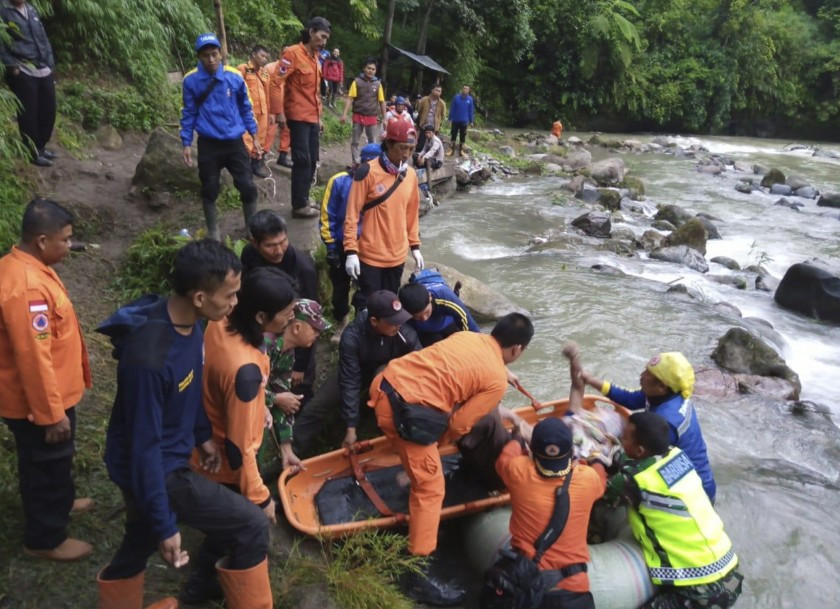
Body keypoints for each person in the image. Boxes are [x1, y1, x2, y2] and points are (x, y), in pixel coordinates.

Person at [96, 240, 272, 609]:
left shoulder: (191, 325)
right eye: (230, 295)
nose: (236, 304)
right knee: (251, 524)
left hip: (170, 453)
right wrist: (167, 524)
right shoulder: (149, 360)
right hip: (159, 468)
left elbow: (188, 385)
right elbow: (144, 450)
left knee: (139, 537)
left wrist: (202, 435)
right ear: (199, 297)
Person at [367, 312, 533, 605]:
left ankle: (411, 466)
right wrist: (433, 447)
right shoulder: (495, 379)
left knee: (420, 458)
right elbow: (460, 426)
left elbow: (458, 369)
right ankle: (416, 572)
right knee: (431, 489)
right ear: (518, 349)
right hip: (403, 413)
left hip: (384, 384)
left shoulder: (468, 336)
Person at [183, 266, 296, 605]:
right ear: (261, 316)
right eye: (287, 314)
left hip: (206, 428)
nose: (291, 320)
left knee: (227, 527)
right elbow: (239, 449)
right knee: (236, 527)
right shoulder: (243, 371)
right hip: (225, 459)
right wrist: (261, 498)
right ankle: (201, 586)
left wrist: (260, 402)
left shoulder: (222, 321)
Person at [0, 199, 92, 561]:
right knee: (46, 465)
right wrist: (51, 414)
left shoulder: (26, 265)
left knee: (55, 460)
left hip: (53, 394)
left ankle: (61, 502)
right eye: (65, 240)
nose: (69, 246)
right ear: (41, 240)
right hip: (38, 404)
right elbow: (33, 358)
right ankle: (45, 538)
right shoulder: (27, 289)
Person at [489, 343, 608, 609]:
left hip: (525, 582)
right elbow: (599, 468)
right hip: (573, 590)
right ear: (570, 453)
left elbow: (508, 447)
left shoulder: (518, 470)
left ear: (533, 450)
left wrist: (520, 432)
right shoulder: (588, 478)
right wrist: (595, 457)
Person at [604, 412, 743, 609]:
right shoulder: (677, 455)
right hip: (730, 570)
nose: (621, 439)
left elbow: (600, 494)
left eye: (624, 437)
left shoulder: (633, 480)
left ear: (640, 450)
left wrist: (595, 463)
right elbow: (637, 462)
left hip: (700, 589)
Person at [292, 290, 421, 454]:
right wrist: (351, 427)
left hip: (388, 370)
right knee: (318, 405)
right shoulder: (352, 337)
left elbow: (420, 363)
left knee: (385, 382)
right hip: (355, 369)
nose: (398, 325)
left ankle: (398, 435)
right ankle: (290, 452)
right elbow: (349, 380)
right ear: (374, 321)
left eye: (400, 320)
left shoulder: (404, 333)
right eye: (393, 321)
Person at [578, 351, 717, 502]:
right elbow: (630, 399)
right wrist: (591, 381)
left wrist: (598, 460)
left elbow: (640, 461)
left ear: (661, 387)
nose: (642, 375)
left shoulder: (666, 421)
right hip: (685, 474)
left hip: (692, 493)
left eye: (648, 374)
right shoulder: (666, 394)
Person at [180, 33, 260, 241]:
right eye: (206, 55)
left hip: (234, 142)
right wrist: (186, 143)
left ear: (221, 53)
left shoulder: (234, 76)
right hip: (208, 144)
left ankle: (252, 229)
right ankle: (213, 232)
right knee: (209, 188)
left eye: (214, 54)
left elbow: (245, 107)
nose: (211, 59)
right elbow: (188, 113)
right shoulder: (191, 80)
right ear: (199, 56)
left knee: (247, 186)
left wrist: (255, 135)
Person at [343, 120, 423, 311]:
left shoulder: (410, 175)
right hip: (370, 254)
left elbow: (411, 213)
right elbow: (351, 215)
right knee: (367, 304)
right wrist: (351, 251)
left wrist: (415, 246)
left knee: (390, 305)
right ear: (388, 144)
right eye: (402, 148)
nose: (406, 154)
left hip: (397, 255)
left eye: (411, 149)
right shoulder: (367, 172)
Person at [240, 210, 319, 403]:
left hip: (293, 337)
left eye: (283, 242)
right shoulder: (249, 256)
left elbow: (309, 319)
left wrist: (300, 365)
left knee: (299, 388)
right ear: (255, 243)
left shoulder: (304, 269)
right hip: (261, 331)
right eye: (270, 245)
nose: (279, 250)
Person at [319, 142, 382, 344]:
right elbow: (328, 215)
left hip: (369, 246)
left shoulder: (383, 183)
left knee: (367, 288)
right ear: (360, 162)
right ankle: (341, 320)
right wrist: (330, 246)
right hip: (341, 244)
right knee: (340, 288)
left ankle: (362, 323)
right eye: (367, 162)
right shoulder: (339, 181)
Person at [269, 17, 332, 219]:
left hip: (312, 117)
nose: (323, 42)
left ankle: (304, 199)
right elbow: (276, 82)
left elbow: (314, 93)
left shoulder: (316, 58)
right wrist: (278, 112)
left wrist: (319, 118)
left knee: (313, 160)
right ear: (312, 32)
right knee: (302, 159)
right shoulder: (292, 53)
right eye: (322, 36)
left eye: (326, 39)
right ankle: (298, 205)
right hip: (297, 116)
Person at [264, 298, 330, 472]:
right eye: (315, 329)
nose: (318, 335)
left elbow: (282, 396)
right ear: (297, 327)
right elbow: (242, 388)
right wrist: (275, 399)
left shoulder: (288, 354)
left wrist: (286, 448)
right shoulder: (265, 347)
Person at [0, 0, 57, 166]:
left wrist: (50, 63)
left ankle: (41, 146)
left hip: (42, 66)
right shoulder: (3, 11)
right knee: (29, 113)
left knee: (48, 109)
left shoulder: (31, 9)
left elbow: (43, 37)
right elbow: (1, 43)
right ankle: (31, 152)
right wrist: (12, 66)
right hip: (22, 68)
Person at [398, 278, 479, 347]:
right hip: (425, 332)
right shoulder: (402, 312)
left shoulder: (445, 297)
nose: (424, 318)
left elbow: (467, 321)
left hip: (447, 322)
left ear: (430, 298)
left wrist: (478, 343)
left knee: (459, 344)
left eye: (426, 312)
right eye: (418, 317)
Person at [340, 57, 387, 164]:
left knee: (372, 142)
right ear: (364, 68)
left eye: (373, 69)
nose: (371, 71)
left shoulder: (378, 84)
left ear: (375, 71)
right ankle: (356, 163)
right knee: (355, 142)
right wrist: (344, 114)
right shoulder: (357, 82)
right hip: (358, 115)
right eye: (368, 68)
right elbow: (350, 98)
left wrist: (385, 118)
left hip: (371, 116)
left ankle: (372, 164)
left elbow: (382, 102)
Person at [238, 44, 273, 178]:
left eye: (266, 57)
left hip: (263, 112)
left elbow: (267, 93)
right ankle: (244, 167)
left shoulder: (264, 72)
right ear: (253, 54)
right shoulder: (243, 69)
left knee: (261, 138)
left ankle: (255, 165)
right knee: (247, 139)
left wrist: (270, 112)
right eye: (262, 56)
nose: (264, 59)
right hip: (249, 112)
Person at [265, 53, 293, 169]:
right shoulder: (270, 68)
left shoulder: (292, 68)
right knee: (269, 130)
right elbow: (266, 86)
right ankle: (261, 154)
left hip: (286, 104)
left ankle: (283, 156)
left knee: (287, 130)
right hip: (271, 104)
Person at [414, 84, 446, 153]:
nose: (438, 92)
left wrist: (438, 123)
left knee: (432, 145)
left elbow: (443, 115)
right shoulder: (424, 100)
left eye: (439, 91)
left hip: (434, 127)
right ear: (432, 90)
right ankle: (416, 159)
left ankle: (426, 161)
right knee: (420, 144)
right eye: (436, 90)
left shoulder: (442, 103)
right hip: (424, 125)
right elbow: (419, 110)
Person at [414, 124, 445, 192]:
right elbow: (424, 150)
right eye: (426, 133)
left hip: (437, 161)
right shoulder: (427, 139)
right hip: (430, 157)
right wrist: (420, 155)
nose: (427, 134)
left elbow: (432, 151)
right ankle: (419, 169)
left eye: (429, 133)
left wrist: (424, 157)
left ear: (433, 133)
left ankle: (428, 184)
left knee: (427, 161)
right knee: (414, 155)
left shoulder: (436, 141)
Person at [447, 85, 475, 157]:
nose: (465, 90)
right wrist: (449, 119)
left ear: (469, 91)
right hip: (455, 120)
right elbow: (452, 108)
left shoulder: (470, 99)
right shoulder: (456, 97)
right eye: (464, 88)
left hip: (464, 121)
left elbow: (471, 111)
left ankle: (461, 151)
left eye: (467, 89)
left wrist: (471, 121)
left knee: (463, 136)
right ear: (462, 89)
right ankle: (451, 151)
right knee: (453, 135)